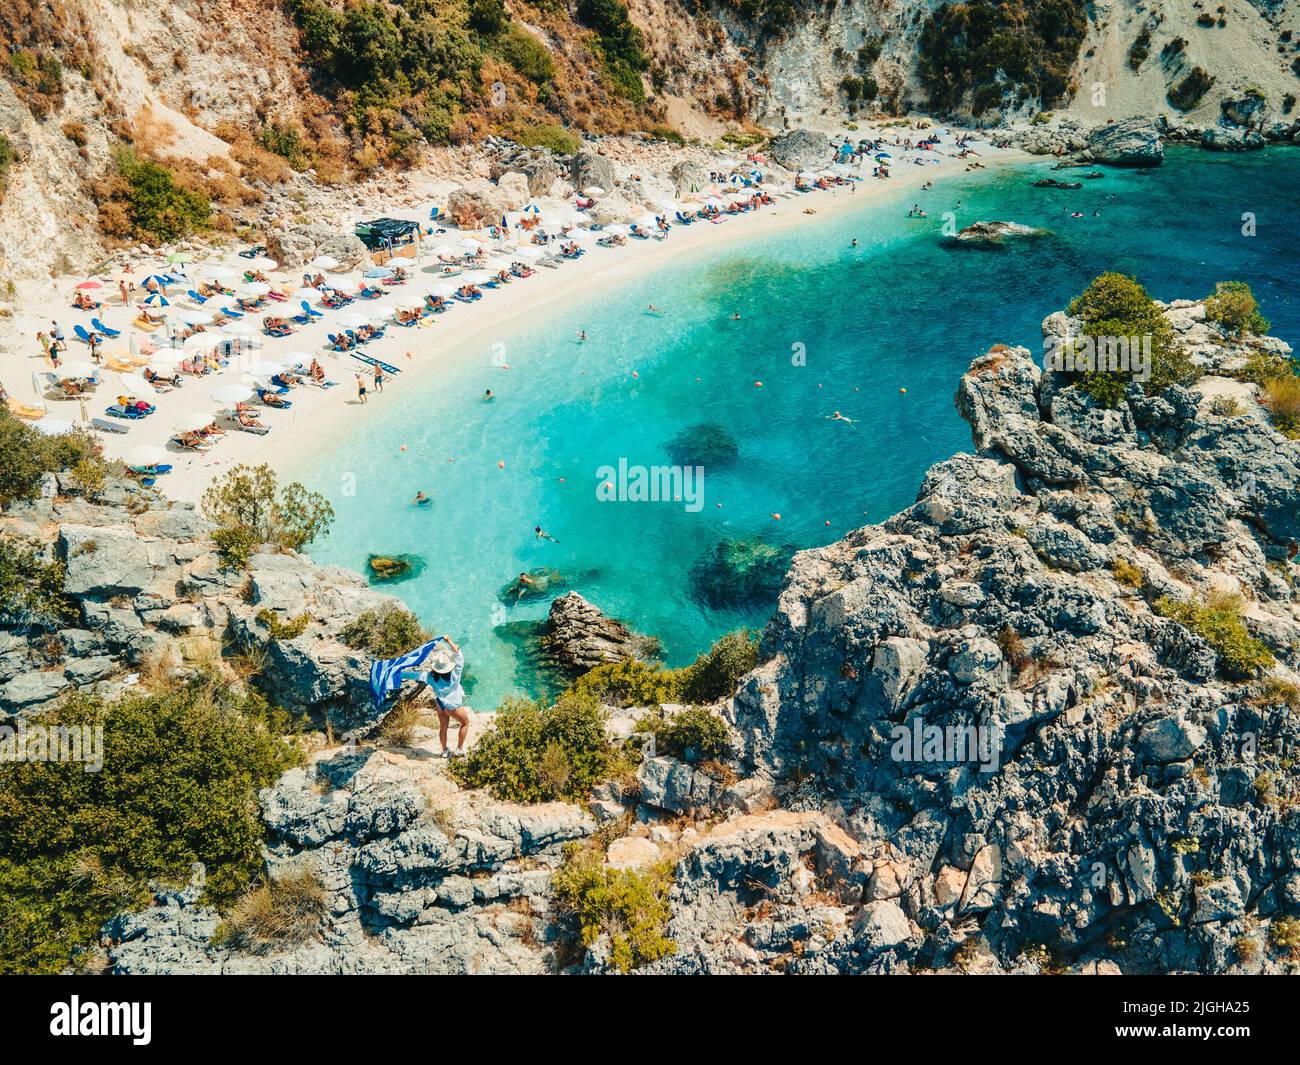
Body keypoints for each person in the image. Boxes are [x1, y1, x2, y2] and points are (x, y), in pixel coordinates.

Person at [402, 636, 469, 758]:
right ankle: (459, 749)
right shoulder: (455, 675)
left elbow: (414, 675)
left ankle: (444, 751)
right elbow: (459, 655)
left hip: (440, 704)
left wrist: (398, 673)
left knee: (443, 728)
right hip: (452, 707)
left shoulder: (430, 677)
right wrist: (448, 640)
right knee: (465, 723)